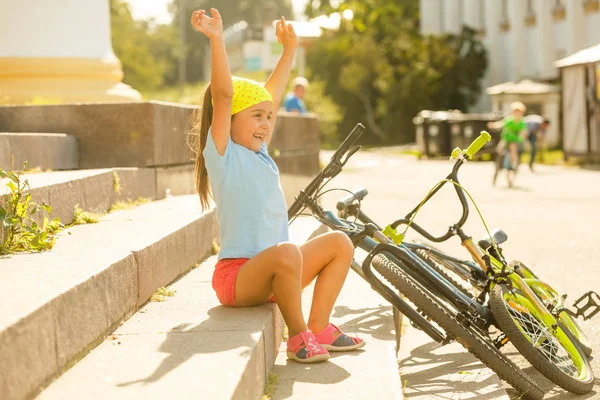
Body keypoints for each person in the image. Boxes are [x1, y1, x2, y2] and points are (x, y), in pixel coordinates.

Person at [188, 8, 365, 364]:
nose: (266, 124)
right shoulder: (223, 154)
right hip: (238, 278)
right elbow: (223, 96)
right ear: (230, 120)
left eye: (269, 117)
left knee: (340, 243)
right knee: (288, 252)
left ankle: (319, 327)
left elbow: (271, 94)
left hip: (277, 273)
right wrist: (217, 39)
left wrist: (289, 51)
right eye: (256, 116)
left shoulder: (260, 152)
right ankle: (299, 337)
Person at [488, 101, 528, 188]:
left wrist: (522, 137)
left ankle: (511, 178)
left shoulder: (522, 122)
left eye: (519, 112)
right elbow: (500, 124)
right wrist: (493, 125)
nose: (517, 114)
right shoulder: (509, 120)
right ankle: (496, 177)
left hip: (515, 143)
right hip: (506, 141)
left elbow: (523, 132)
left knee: (515, 162)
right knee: (500, 160)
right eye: (515, 111)